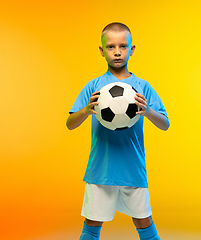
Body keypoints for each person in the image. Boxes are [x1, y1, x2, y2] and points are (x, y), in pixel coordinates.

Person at [66, 22, 169, 240]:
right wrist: (86, 111)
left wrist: (148, 111)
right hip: (101, 170)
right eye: (111, 47)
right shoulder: (93, 87)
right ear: (102, 51)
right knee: (92, 223)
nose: (117, 52)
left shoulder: (143, 87)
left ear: (132, 49)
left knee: (143, 220)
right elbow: (70, 123)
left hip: (133, 168)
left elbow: (165, 124)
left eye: (123, 46)